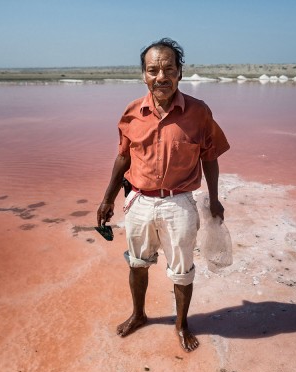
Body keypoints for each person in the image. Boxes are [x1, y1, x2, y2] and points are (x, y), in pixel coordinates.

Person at [96, 38, 230, 352]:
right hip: (139, 201)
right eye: (153, 69)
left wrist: (214, 197)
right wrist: (107, 199)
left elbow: (210, 156)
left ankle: (181, 324)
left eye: (168, 68)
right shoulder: (132, 113)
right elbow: (123, 157)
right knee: (137, 263)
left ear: (180, 72)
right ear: (144, 75)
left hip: (179, 203)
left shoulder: (199, 113)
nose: (161, 76)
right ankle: (139, 314)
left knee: (182, 272)